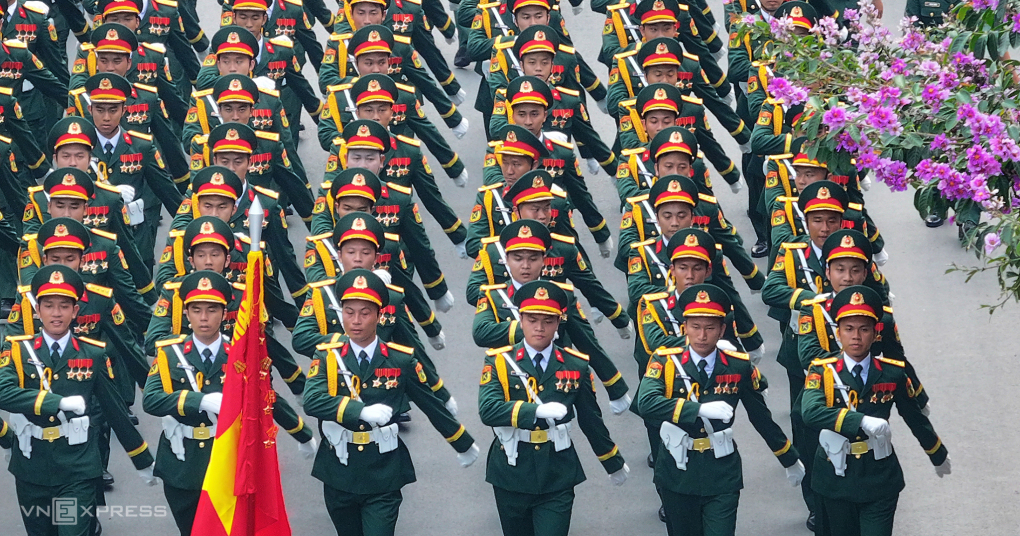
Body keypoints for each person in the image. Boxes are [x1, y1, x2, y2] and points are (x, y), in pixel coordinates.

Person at [303, 269, 480, 536]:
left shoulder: (400, 360)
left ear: (379, 315)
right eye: (349, 312)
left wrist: (462, 442)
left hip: (383, 470)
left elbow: (429, 403)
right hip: (339, 468)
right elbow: (312, 401)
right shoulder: (327, 357)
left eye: (365, 313)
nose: (356, 321)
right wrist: (360, 411)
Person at [145, 270, 315, 535]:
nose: (204, 318)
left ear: (224, 314)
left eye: (212, 310)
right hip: (183, 465)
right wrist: (199, 401)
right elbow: (151, 399)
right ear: (186, 314)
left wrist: (301, 432)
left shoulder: (240, 354)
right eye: (196, 310)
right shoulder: (169, 353)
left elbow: (265, 396)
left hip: (229, 460)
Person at [0, 265, 157, 536]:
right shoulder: (17, 350)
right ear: (37, 310)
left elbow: (114, 409)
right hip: (32, 465)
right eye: (49, 306)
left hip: (77, 467)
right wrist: (55, 403)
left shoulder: (92, 354)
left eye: (64, 306)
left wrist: (141, 458)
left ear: (75, 311)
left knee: (73, 531)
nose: (56, 313)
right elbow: (3, 391)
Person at [636, 283, 804, 536]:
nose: (702, 335)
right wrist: (698, 410)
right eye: (695, 327)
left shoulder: (738, 365)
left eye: (710, 327)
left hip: (721, 471)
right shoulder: (665, 360)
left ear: (722, 330)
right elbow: (646, 402)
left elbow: (761, 417)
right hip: (677, 471)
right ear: (685, 327)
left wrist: (788, 457)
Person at [478, 279, 629, 536]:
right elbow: (488, 410)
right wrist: (534, 412)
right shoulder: (499, 361)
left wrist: (611, 460)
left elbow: (591, 419)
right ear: (520, 320)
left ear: (559, 322)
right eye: (532, 320)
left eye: (548, 321)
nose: (539, 328)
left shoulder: (575, 365)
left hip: (557, 470)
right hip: (512, 470)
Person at [801, 285, 949, 536]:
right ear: (838, 333)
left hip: (879, 476)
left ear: (875, 333)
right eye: (849, 329)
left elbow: (914, 417)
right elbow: (810, 411)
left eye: (864, 329)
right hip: (835, 477)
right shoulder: (822, 371)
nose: (856, 336)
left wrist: (937, 453)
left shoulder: (892, 372)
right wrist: (860, 421)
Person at [294, 211, 458, 417]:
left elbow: (411, 346)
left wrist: (440, 392)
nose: (357, 259)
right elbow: (301, 339)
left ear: (376, 257)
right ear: (339, 255)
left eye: (365, 253)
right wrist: (347, 343)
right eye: (351, 252)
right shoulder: (322, 293)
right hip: (338, 392)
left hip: (383, 390)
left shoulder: (390, 296)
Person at [149, 216, 307, 398]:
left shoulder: (243, 296)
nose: (208, 262)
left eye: (215, 255)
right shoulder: (174, 293)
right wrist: (199, 345)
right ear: (191, 261)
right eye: (201, 255)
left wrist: (287, 380)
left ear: (227, 260)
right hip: (186, 378)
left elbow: (262, 341)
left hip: (233, 375)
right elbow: (154, 342)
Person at [317, 28, 469, 185]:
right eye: (368, 63)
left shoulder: (404, 95)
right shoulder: (340, 96)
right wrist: (359, 144)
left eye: (381, 62)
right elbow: (326, 136)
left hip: (394, 169)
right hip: (355, 178)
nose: (376, 69)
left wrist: (453, 166)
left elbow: (427, 130)